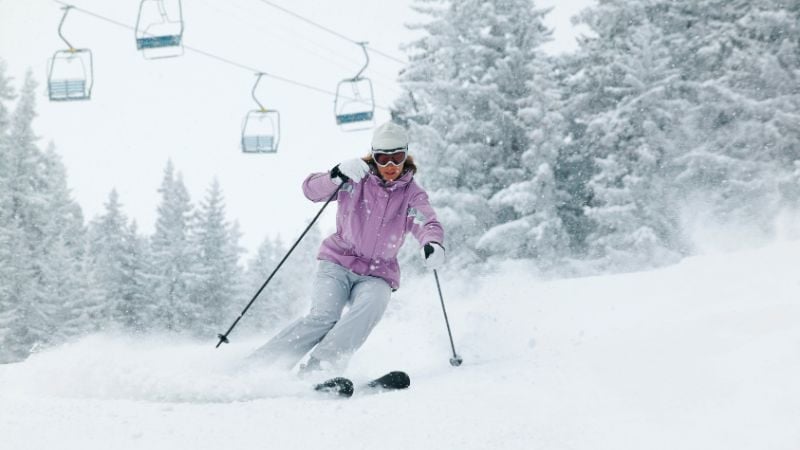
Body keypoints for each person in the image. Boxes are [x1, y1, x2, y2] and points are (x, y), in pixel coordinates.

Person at [249, 121, 446, 374]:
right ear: (373, 156)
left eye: (396, 157)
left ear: (405, 156)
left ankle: (320, 367)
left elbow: (426, 221)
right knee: (324, 317)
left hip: (378, 272)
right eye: (382, 158)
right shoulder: (356, 177)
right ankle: (261, 366)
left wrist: (432, 242)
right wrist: (335, 175)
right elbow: (311, 191)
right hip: (338, 262)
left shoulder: (412, 194)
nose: (389, 166)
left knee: (372, 305)